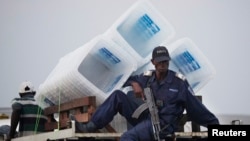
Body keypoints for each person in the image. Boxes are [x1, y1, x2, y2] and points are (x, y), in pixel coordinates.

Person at [71, 46, 219, 141]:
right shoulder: (147, 77)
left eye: (166, 62)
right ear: (153, 62)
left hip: (162, 126)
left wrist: (214, 126)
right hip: (146, 117)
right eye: (160, 62)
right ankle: (89, 128)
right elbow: (123, 80)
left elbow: (196, 107)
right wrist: (134, 83)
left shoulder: (178, 83)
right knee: (118, 96)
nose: (163, 65)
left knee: (127, 138)